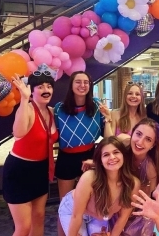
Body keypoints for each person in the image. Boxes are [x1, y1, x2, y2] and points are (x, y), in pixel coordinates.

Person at [54, 71, 111, 236]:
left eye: (86, 82)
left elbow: (108, 138)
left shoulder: (96, 105)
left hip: (90, 157)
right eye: (78, 82)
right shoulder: (60, 109)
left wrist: (107, 118)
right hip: (67, 158)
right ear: (71, 85)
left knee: (90, 202)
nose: (82, 85)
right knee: (65, 205)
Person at [3, 71, 58, 236]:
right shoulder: (27, 108)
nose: (45, 90)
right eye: (40, 87)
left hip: (40, 170)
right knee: (24, 227)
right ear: (32, 91)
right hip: (19, 170)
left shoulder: (52, 112)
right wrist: (24, 99)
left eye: (49, 86)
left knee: (39, 217)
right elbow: (18, 133)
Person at [58, 136, 141, 236]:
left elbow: (123, 217)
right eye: (106, 154)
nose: (112, 157)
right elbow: (76, 216)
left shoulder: (133, 184)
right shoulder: (89, 178)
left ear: (123, 155)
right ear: (100, 161)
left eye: (116, 152)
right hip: (72, 210)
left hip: (99, 216)